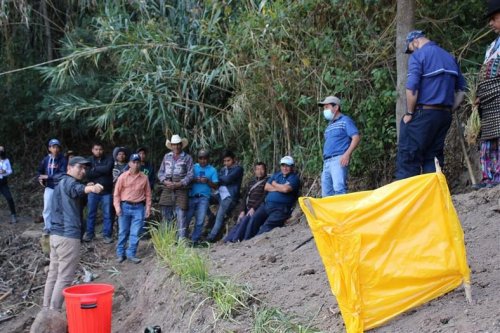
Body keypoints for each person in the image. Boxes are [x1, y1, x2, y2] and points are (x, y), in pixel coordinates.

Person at [396, 30, 466, 180]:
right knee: (433, 158)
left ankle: (408, 199)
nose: (411, 53)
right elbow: (462, 91)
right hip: (444, 116)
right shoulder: (449, 57)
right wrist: (450, 109)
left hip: (424, 114)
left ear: (415, 41)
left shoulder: (419, 55)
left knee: (409, 157)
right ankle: (433, 198)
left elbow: (411, 88)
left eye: (410, 49)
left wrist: (409, 113)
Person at [42, 156, 103, 310]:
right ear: (69, 167)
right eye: (79, 167)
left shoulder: (59, 182)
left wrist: (85, 188)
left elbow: (76, 192)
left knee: (53, 274)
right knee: (64, 278)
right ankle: (54, 312)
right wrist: (91, 188)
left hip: (55, 236)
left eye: (85, 169)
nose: (83, 171)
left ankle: (46, 308)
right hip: (68, 237)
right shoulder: (69, 182)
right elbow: (76, 188)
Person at [474, 1, 500, 188]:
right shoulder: (492, 46)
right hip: (488, 100)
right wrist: (478, 95)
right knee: (488, 138)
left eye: (494, 19)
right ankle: (489, 177)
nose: (490, 23)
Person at [244, 156, 300, 240]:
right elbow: (266, 187)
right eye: (283, 165)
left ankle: (254, 243)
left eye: (287, 166)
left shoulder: (294, 178)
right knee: (253, 219)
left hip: (280, 209)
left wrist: (274, 184)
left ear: (292, 167)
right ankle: (246, 240)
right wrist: (280, 188)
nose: (285, 168)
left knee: (266, 227)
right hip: (267, 205)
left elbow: (286, 189)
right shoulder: (277, 175)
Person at [318, 96, 361, 196]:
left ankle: (343, 212)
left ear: (336, 107)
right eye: (324, 108)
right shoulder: (329, 126)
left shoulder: (345, 120)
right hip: (327, 162)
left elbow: (356, 137)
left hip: (338, 159)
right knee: (326, 193)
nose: (325, 110)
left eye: (327, 107)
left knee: (339, 189)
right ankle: (331, 212)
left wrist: (346, 154)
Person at [113, 153, 152, 264]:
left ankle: (131, 254)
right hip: (125, 206)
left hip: (139, 207)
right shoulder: (122, 177)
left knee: (135, 232)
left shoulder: (144, 178)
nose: (136, 164)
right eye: (133, 162)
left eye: (138, 162)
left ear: (140, 163)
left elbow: (148, 194)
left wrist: (148, 208)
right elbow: (116, 194)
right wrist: (117, 207)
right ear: (129, 163)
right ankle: (120, 254)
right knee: (123, 232)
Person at [157, 134, 194, 236]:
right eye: (174, 145)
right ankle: (168, 240)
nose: (176, 147)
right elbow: (160, 173)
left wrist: (180, 183)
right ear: (171, 145)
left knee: (181, 216)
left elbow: (190, 174)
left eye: (178, 144)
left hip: (181, 189)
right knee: (166, 215)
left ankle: (181, 242)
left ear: (181, 145)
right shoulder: (166, 157)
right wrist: (165, 181)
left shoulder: (187, 158)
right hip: (167, 189)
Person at [224, 162, 268, 243]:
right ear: (255, 171)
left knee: (245, 220)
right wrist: (242, 210)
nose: (260, 171)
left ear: (265, 170)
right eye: (257, 169)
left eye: (262, 169)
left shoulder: (267, 182)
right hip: (247, 207)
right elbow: (245, 197)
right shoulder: (251, 182)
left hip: (256, 208)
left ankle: (236, 239)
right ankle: (227, 240)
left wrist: (254, 208)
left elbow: (263, 197)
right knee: (240, 221)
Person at [206, 150, 244, 243]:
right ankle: (210, 216)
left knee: (220, 215)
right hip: (219, 194)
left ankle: (210, 238)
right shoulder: (223, 169)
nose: (226, 163)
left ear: (234, 159)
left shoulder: (238, 169)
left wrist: (214, 178)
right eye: (225, 161)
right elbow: (218, 180)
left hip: (229, 196)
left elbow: (228, 179)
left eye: (228, 160)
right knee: (203, 199)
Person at [185, 149, 218, 244]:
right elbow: (186, 180)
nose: (203, 160)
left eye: (205, 158)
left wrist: (207, 181)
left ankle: (194, 240)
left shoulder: (212, 170)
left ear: (208, 159)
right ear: (197, 158)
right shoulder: (193, 167)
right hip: (191, 196)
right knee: (186, 218)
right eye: (200, 158)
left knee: (200, 220)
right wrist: (195, 180)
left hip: (204, 198)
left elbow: (216, 186)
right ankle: (183, 239)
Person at [83, 142, 114, 243]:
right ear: (92, 150)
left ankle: (107, 235)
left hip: (107, 191)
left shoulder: (109, 158)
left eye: (100, 149)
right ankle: (90, 234)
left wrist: (95, 169)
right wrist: (101, 170)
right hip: (93, 191)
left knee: (107, 214)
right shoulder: (89, 160)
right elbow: (88, 173)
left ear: (103, 150)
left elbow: (108, 169)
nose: (98, 151)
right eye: (96, 149)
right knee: (91, 213)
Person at [37, 139, 67, 234]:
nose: (55, 149)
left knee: (60, 208)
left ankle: (60, 226)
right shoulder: (46, 159)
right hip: (49, 187)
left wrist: (48, 177)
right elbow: (39, 171)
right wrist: (39, 178)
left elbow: (62, 174)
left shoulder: (63, 159)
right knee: (47, 208)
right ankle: (48, 227)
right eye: (53, 147)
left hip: (59, 187)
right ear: (49, 148)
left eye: (57, 147)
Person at [0, 146, 17, 223]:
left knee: (9, 198)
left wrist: (5, 172)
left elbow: (10, 171)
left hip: (3, 182)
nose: (1, 151)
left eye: (2, 150)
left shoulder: (6, 160)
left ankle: (14, 216)